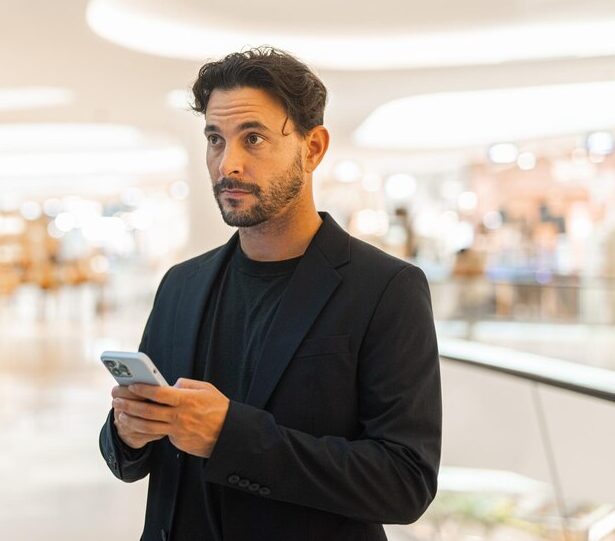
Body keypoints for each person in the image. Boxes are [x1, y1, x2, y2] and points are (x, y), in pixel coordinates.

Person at [99, 46, 441, 541]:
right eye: (215, 139)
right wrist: (128, 434)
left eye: (253, 138)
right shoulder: (181, 285)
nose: (227, 164)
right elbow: (133, 460)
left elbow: (405, 481)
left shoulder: (387, 289)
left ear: (313, 149)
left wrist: (230, 437)